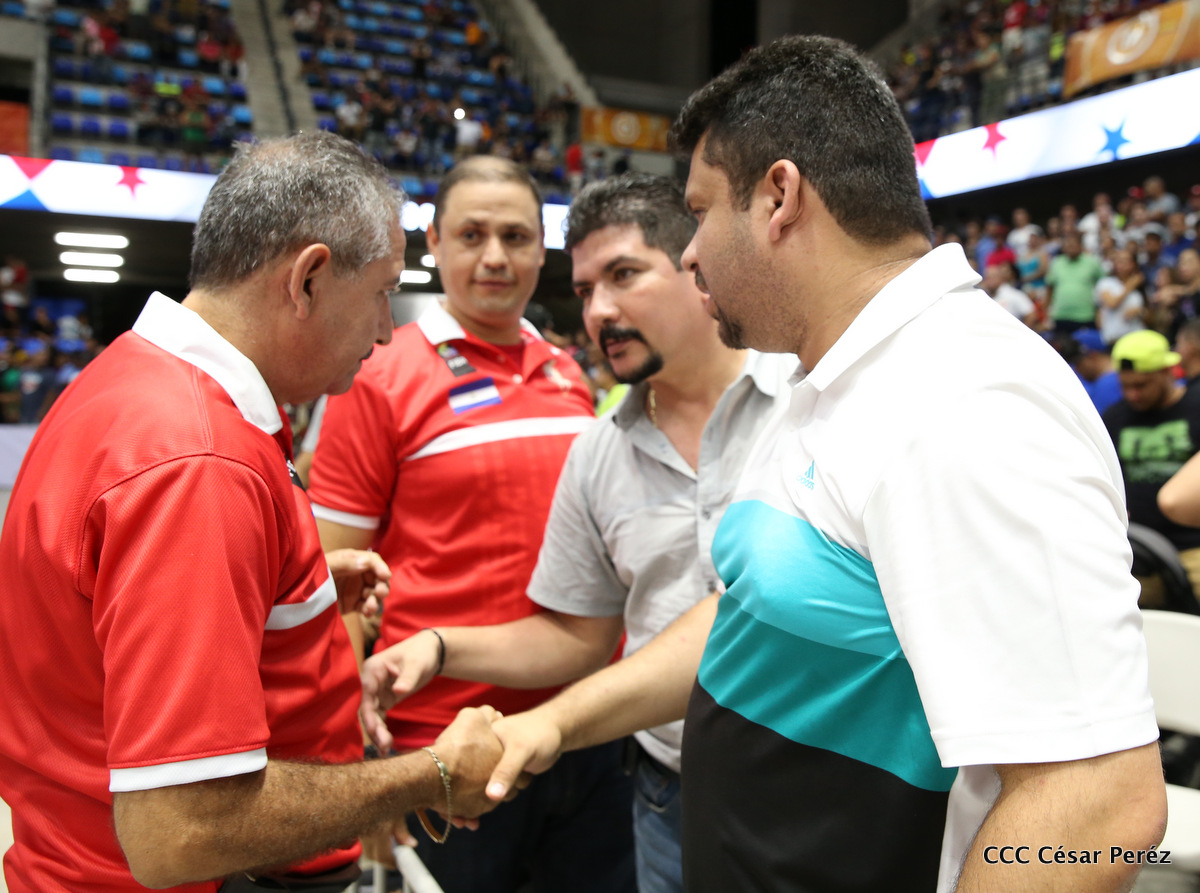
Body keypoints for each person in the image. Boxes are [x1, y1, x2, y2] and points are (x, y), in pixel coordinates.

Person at [478, 35, 1165, 893]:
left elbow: (1098, 806)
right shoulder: (828, 378)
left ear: (779, 198)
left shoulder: (964, 401)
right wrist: (556, 722)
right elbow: (753, 612)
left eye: (700, 212)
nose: (689, 251)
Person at [0, 132, 508, 893]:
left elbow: (103, 610)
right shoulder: (199, 462)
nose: (384, 329)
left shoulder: (133, 383)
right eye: (381, 292)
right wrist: (429, 774)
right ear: (307, 280)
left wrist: (280, 589)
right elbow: (183, 831)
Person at [358, 172, 793, 893]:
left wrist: (553, 721)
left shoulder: (805, 400)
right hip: (663, 788)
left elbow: (748, 611)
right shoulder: (597, 450)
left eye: (623, 276)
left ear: (697, 265)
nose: (599, 312)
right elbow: (579, 632)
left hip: (818, 780)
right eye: (586, 290)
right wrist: (440, 647)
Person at [307, 155, 635, 893]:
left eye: (515, 237)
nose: (495, 257)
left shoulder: (568, 374)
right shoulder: (378, 376)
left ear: (542, 250)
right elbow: (333, 582)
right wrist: (357, 764)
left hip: (584, 731)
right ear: (433, 242)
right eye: (472, 234)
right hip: (445, 746)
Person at [1103, 329, 1200, 599]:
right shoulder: (1114, 417)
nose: (1132, 395)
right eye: (1125, 386)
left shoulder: (1196, 406)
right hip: (1138, 547)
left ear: (1167, 372)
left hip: (1193, 544)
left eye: (1141, 385)